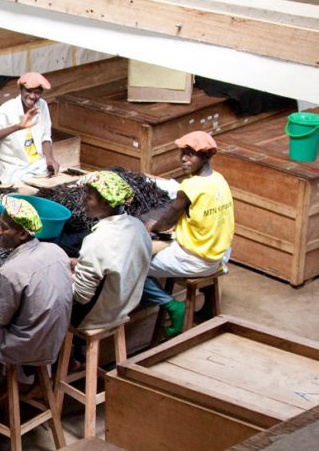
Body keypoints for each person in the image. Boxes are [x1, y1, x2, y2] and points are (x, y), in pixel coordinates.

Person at [0, 195, 73, 376]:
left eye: (4, 228)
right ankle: (27, 380)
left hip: (27, 345)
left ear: (22, 234)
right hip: (56, 338)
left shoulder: (11, 272)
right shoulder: (57, 251)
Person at [141, 131, 235, 336]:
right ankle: (209, 307)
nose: (184, 158)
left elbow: (167, 220)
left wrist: (152, 226)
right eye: (183, 152)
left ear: (206, 157)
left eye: (191, 154)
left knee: (132, 266)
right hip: (219, 255)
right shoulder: (219, 180)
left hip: (196, 260)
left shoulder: (190, 186)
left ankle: (172, 306)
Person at [68, 171, 151, 331]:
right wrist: (81, 265)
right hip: (123, 307)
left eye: (89, 197)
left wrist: (67, 276)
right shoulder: (137, 226)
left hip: (95, 316)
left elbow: (81, 296)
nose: (84, 201)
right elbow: (116, 263)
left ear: (107, 202)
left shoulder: (97, 240)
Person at [0, 72, 60, 184]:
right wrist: (17, 127)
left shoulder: (42, 105)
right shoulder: (6, 110)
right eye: (29, 91)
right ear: (21, 89)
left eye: (37, 93)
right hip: (13, 171)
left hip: (37, 166)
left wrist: (50, 158)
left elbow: (45, 137)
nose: (33, 96)